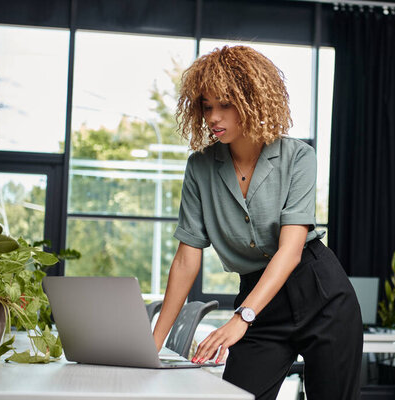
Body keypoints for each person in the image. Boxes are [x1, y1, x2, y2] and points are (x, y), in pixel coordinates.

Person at [152, 45, 363, 400]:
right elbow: (186, 260)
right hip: (260, 301)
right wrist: (150, 347)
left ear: (252, 101)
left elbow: (291, 250)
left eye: (225, 104)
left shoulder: (298, 157)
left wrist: (242, 316)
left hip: (321, 295)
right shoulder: (200, 168)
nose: (213, 118)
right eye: (206, 106)